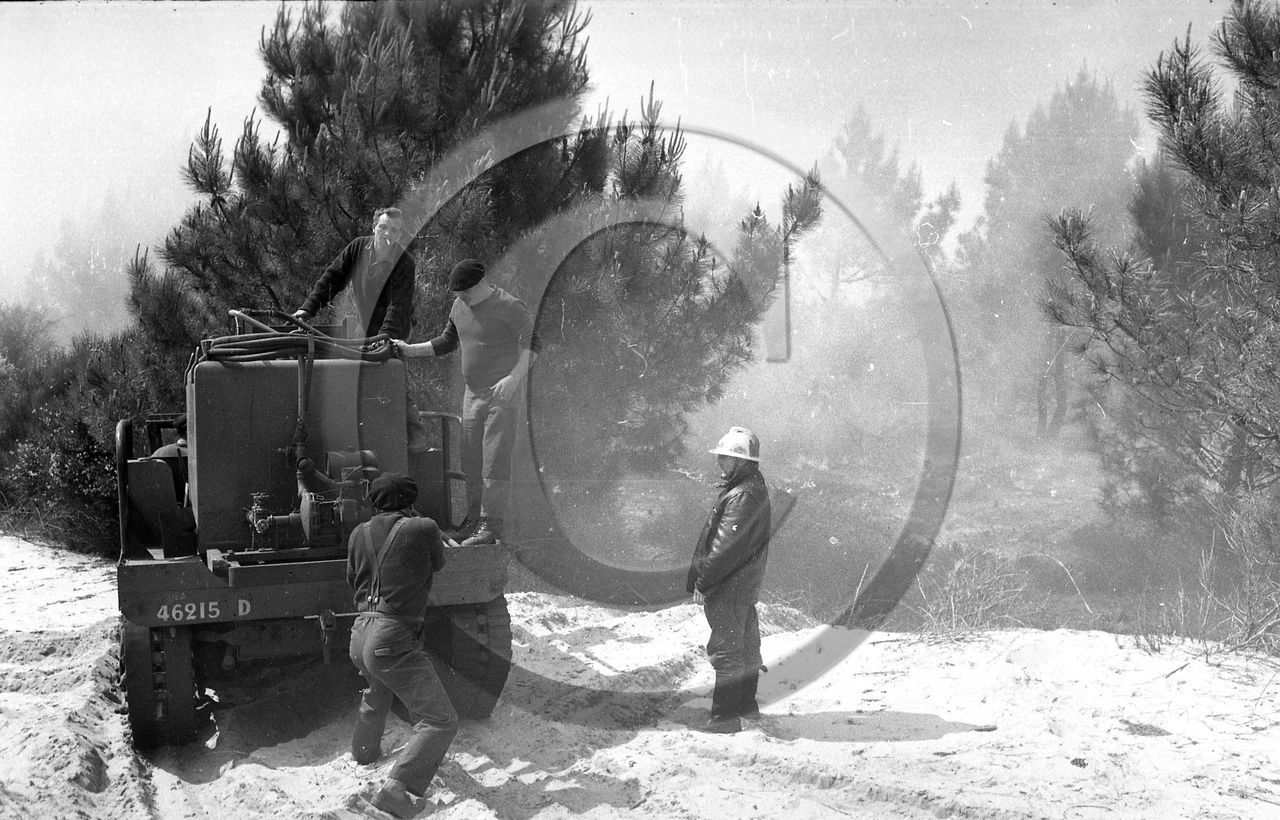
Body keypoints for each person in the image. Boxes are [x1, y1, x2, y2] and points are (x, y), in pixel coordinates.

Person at [394, 258, 539, 546]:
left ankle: (491, 525)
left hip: (501, 394)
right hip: (472, 394)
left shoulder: (510, 306)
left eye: (465, 292)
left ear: (482, 283)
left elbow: (533, 345)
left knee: (494, 460)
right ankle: (474, 521)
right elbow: (447, 342)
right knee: (471, 459)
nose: (461, 298)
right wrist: (408, 350)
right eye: (458, 294)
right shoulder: (459, 307)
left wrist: (513, 379)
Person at [347, 472, 457, 818]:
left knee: (378, 688)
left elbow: (353, 578)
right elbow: (439, 563)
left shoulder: (358, 533)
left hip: (361, 633)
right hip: (392, 636)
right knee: (440, 721)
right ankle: (396, 790)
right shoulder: (423, 527)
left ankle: (363, 752)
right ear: (410, 501)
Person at [686, 426, 771, 734]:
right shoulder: (752, 489)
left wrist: (703, 581)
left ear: (740, 461)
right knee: (745, 645)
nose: (719, 462)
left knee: (727, 650)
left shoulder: (741, 495)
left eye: (724, 457)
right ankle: (746, 707)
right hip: (742, 585)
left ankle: (724, 719)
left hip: (729, 586)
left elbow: (723, 550)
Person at [293, 207, 415, 341]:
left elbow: (397, 307)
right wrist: (308, 308)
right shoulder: (357, 248)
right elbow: (331, 279)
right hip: (367, 330)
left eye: (394, 230)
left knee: (390, 354)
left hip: (395, 333)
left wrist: (385, 336)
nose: (387, 233)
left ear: (399, 235)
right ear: (374, 227)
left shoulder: (404, 263)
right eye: (383, 227)